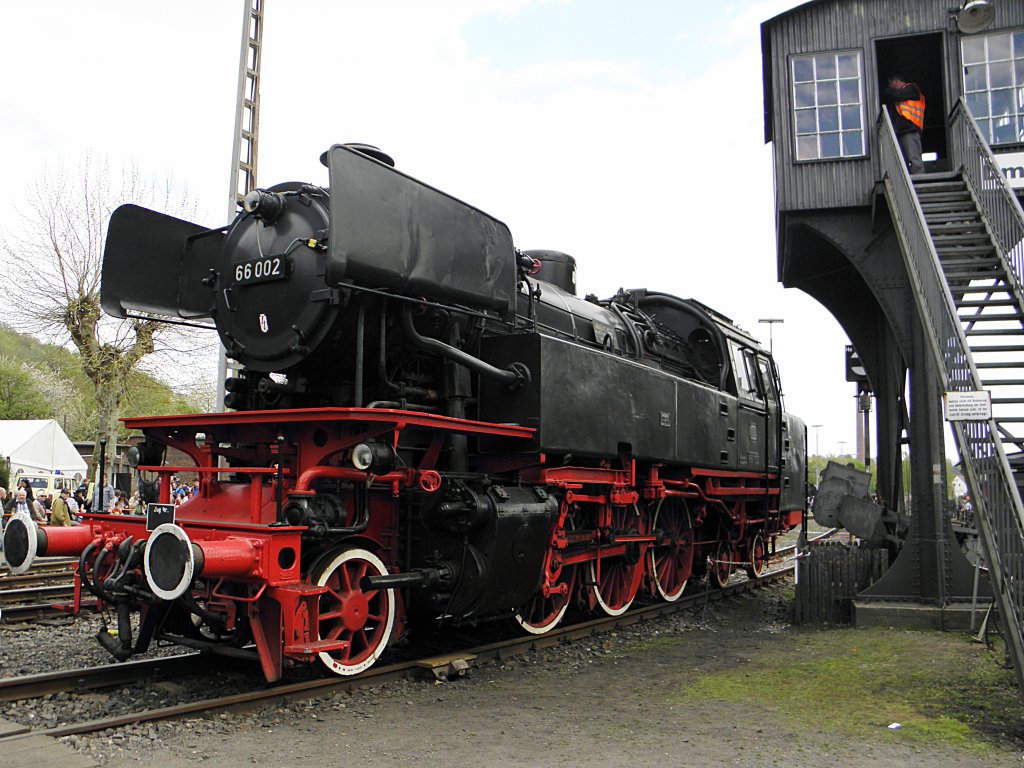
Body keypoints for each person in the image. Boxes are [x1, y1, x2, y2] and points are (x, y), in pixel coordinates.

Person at [883, 74, 925, 175]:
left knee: (914, 159)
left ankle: (919, 179)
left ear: (895, 81)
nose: (890, 87)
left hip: (909, 130)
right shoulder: (898, 100)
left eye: (890, 84)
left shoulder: (912, 88)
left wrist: (888, 91)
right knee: (902, 161)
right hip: (901, 132)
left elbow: (896, 95)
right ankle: (909, 179)